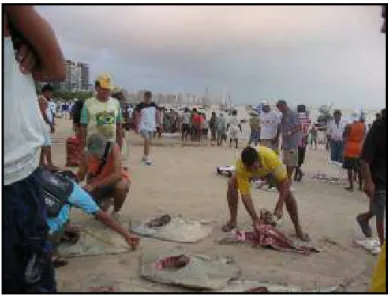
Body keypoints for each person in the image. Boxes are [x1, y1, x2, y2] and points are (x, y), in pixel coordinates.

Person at [4, 5, 65, 293]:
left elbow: (56, 68)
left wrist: (26, 43)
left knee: (28, 282)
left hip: (13, 175)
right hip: (16, 173)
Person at [44, 169, 139, 268]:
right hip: (44, 231)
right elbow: (102, 216)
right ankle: (50, 256)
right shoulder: (74, 190)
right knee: (55, 226)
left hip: (30, 218)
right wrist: (126, 234)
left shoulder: (41, 176)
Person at [221, 146, 310, 242]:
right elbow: (245, 196)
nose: (251, 170)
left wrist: (279, 207)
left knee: (288, 195)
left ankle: (298, 229)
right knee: (231, 183)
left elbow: (285, 183)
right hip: (253, 173)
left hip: (269, 171)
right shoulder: (241, 167)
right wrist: (255, 219)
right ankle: (232, 221)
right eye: (248, 169)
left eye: (253, 168)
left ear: (258, 160)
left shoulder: (270, 157)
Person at [77, 133, 131, 221]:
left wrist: (95, 185)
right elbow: (80, 175)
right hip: (95, 184)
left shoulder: (113, 147)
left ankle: (116, 211)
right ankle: (105, 202)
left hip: (108, 183)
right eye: (95, 153)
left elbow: (117, 175)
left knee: (121, 186)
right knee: (99, 214)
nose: (98, 156)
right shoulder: (85, 154)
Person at [356, 109, 385, 247]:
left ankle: (363, 218)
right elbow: (364, 158)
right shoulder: (378, 128)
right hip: (378, 178)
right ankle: (383, 246)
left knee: (378, 208)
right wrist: (368, 182)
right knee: (380, 212)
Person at [80, 74, 123, 151]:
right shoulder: (88, 103)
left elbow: (119, 126)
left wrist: (120, 146)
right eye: (104, 88)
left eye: (108, 89)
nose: (106, 91)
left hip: (111, 146)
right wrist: (83, 147)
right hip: (93, 146)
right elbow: (83, 126)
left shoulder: (116, 103)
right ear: (97, 88)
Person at [276, 100, 301, 183]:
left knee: (291, 161)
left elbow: (298, 127)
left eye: (279, 108)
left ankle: (289, 178)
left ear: (284, 105)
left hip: (292, 142)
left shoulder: (293, 114)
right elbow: (283, 128)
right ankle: (289, 176)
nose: (279, 110)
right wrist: (283, 141)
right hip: (286, 142)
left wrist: (289, 133)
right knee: (287, 161)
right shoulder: (283, 114)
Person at [343, 113, 366, 192]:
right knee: (359, 169)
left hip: (350, 148)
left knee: (350, 169)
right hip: (359, 148)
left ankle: (351, 187)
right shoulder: (363, 126)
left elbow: (344, 136)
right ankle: (360, 186)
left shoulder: (349, 126)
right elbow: (364, 136)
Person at [134, 91, 157, 165]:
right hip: (143, 126)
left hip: (151, 126)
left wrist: (159, 124)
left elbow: (157, 113)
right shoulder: (140, 105)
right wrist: (137, 126)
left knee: (148, 141)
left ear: (151, 98)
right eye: (146, 97)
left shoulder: (153, 105)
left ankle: (144, 156)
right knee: (146, 140)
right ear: (144, 97)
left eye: (149, 98)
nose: (147, 99)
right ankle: (147, 157)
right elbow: (137, 115)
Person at [38, 83, 57, 169]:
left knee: (43, 145)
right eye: (50, 92)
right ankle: (49, 163)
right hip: (44, 124)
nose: (51, 94)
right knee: (47, 145)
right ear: (46, 92)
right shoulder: (42, 100)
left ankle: (41, 163)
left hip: (42, 124)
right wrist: (51, 125)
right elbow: (43, 114)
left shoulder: (42, 99)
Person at [294, 105, 311, 182]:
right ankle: (297, 174)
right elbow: (307, 130)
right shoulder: (307, 118)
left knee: (294, 159)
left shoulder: (296, 117)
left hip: (296, 140)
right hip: (304, 140)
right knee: (300, 159)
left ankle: (299, 173)